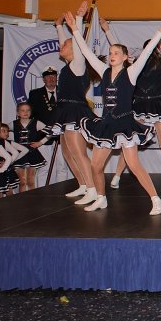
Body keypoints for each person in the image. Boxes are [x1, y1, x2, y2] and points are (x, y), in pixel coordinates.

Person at [66, 7, 161, 215]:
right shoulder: (103, 71)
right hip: (106, 125)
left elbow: (147, 52)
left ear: (125, 57)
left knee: (134, 165)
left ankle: (156, 200)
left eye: (116, 53)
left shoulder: (131, 73)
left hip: (125, 125)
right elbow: (87, 53)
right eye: (110, 53)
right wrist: (75, 30)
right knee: (96, 166)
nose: (112, 56)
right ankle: (101, 198)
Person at [101, 14, 161, 191]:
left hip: (147, 106)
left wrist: (107, 30)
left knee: (134, 143)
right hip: (147, 107)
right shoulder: (144, 63)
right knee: (145, 143)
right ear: (156, 48)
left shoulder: (143, 63)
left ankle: (120, 177)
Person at [46, 11, 97, 204]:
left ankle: (92, 189)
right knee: (67, 152)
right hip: (65, 111)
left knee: (78, 152)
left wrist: (78, 20)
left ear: (75, 50)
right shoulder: (69, 65)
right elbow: (66, 44)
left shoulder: (78, 65)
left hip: (75, 112)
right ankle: (83, 184)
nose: (62, 46)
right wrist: (59, 26)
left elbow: (76, 43)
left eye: (66, 45)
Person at [10, 102, 48, 192]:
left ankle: (31, 199)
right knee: (22, 182)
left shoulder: (36, 123)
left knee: (30, 181)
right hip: (19, 155)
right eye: (22, 110)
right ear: (18, 113)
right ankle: (22, 199)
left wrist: (40, 142)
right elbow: (0, 131)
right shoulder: (13, 124)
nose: (25, 112)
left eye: (28, 110)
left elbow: (51, 132)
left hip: (32, 154)